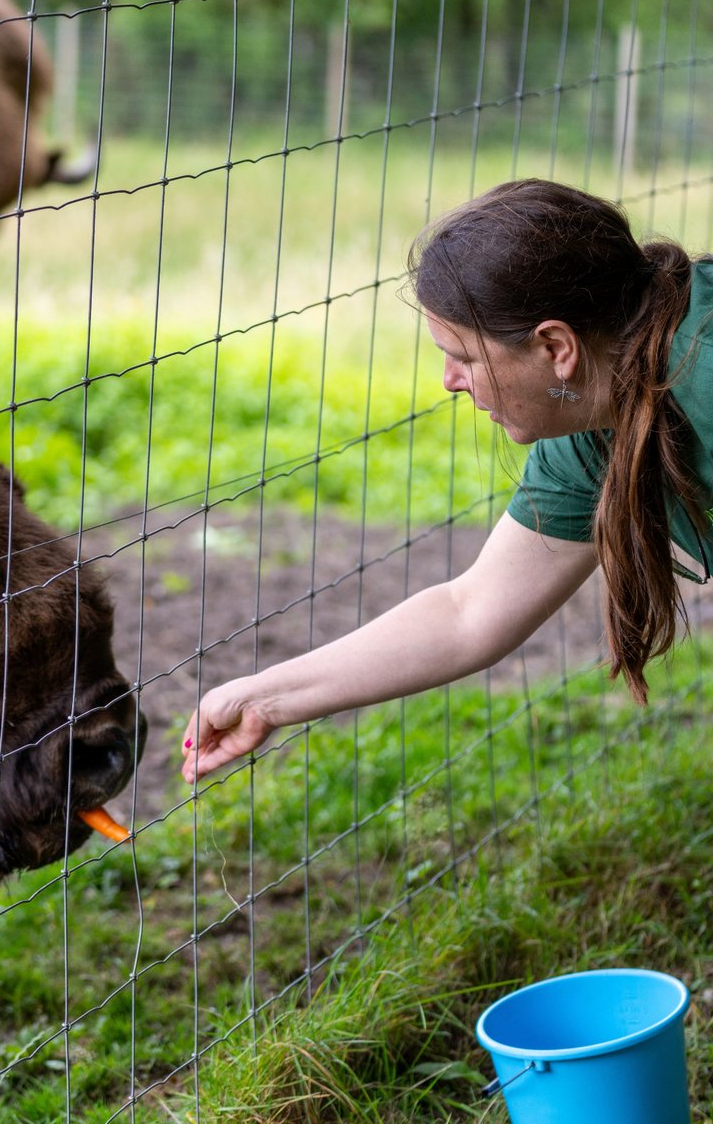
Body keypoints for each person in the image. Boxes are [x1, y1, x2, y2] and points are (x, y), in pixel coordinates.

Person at [181, 177, 713, 784]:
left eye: (463, 356)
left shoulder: (703, 373)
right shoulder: (594, 416)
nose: (449, 381)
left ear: (555, 346)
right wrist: (265, 698)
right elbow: (470, 611)